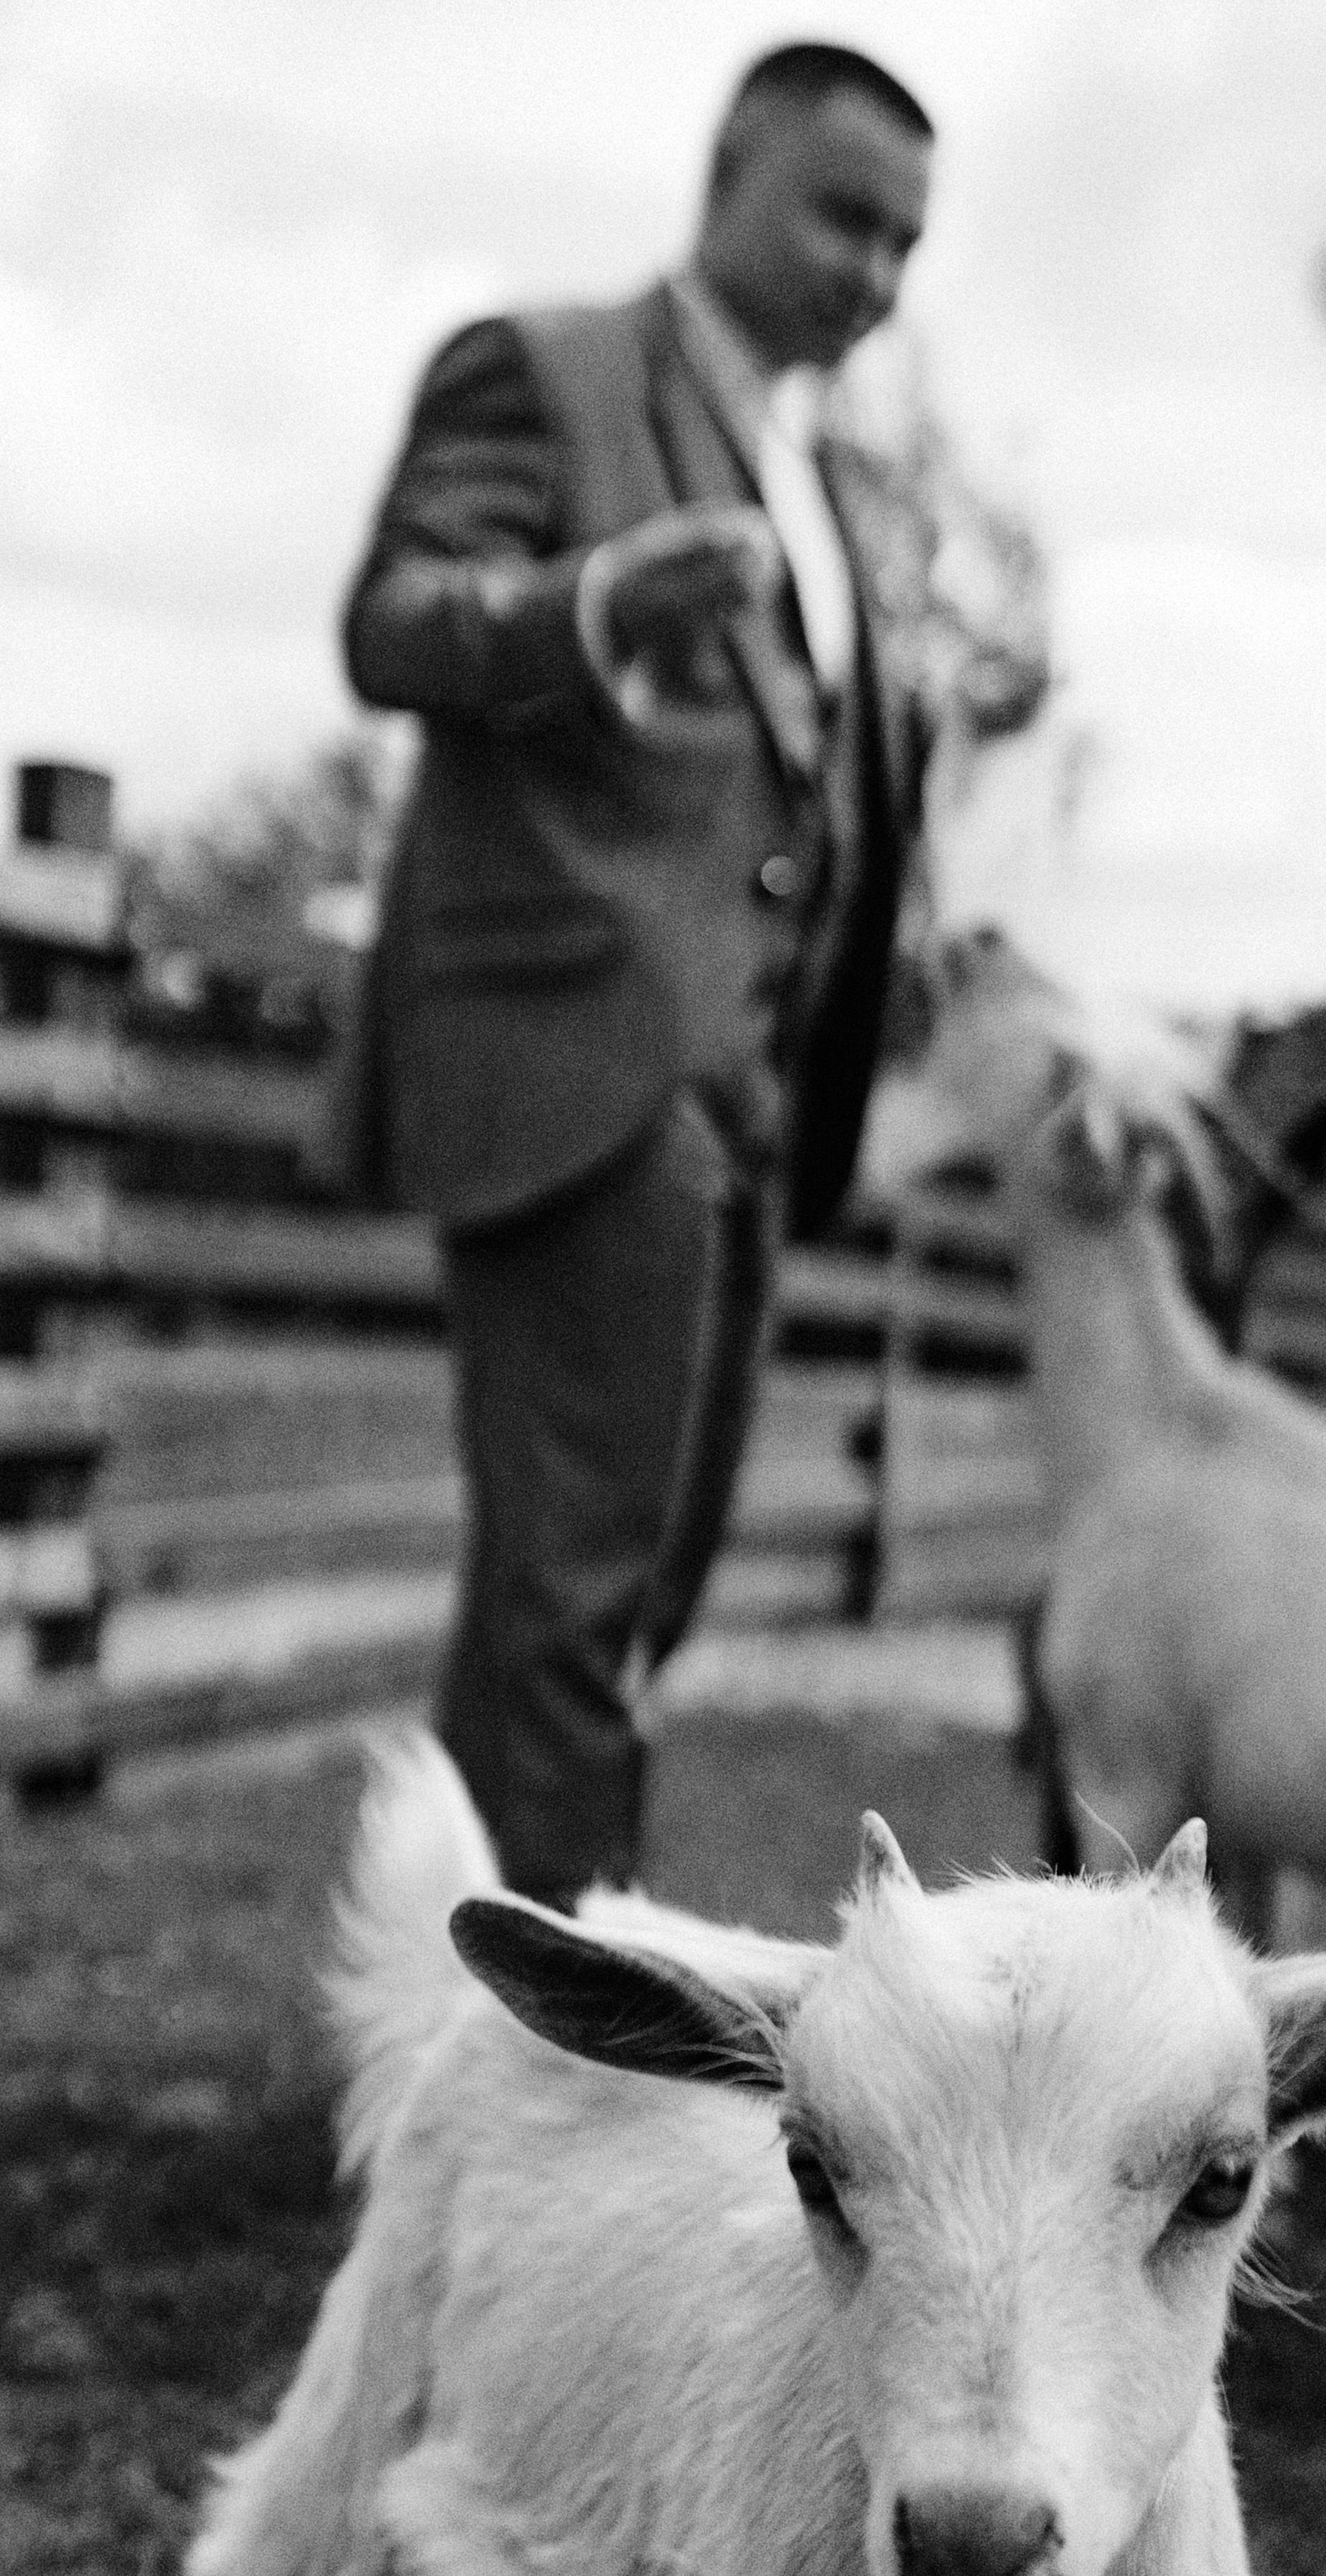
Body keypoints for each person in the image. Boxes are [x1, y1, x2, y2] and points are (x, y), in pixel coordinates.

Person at [337, 43, 935, 1903]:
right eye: (843, 216)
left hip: (755, 1098)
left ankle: (456, 1986)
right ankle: (563, 2044)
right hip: (585, 1062)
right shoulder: (542, 369)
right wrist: (592, 604)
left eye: (905, 243)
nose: (873, 273)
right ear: (729, 166)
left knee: (624, 1599)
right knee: (573, 1609)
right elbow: (393, 624)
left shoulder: (844, 482)